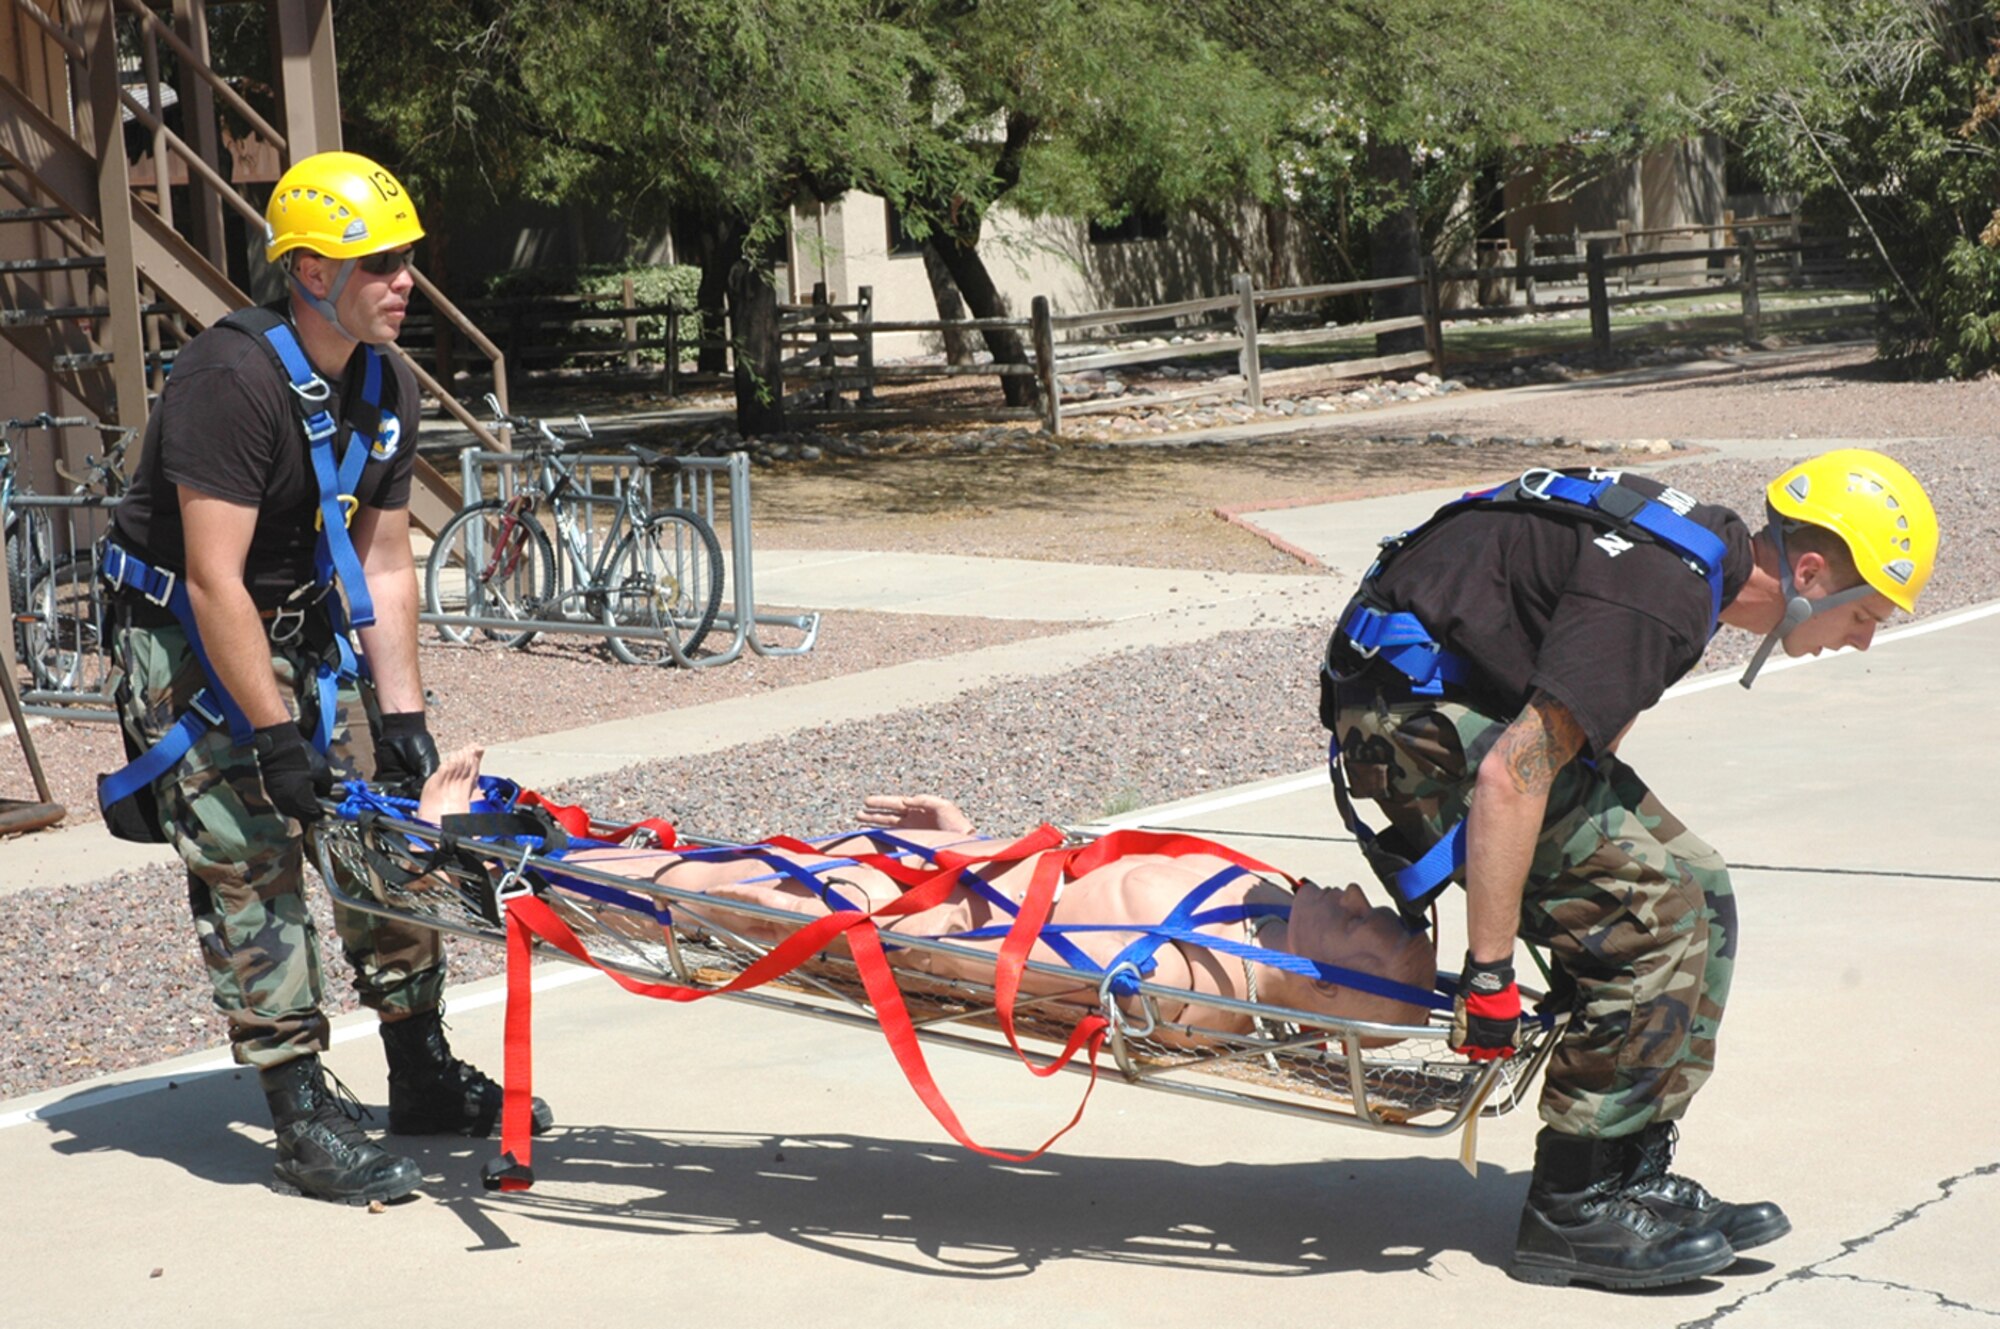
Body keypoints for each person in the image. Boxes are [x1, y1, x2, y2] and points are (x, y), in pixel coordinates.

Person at [1319, 452, 1938, 1289]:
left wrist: (1583, 906)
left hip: (1458, 701)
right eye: (1865, 611)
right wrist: (1492, 973)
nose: (1865, 635)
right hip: (1405, 719)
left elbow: (1589, 725)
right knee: (1656, 912)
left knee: (1699, 887)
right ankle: (1572, 1206)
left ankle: (1629, 1166)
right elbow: (1512, 774)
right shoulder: (1666, 590)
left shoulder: (1703, 561)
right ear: (1810, 570)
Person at [99, 151, 548, 1206]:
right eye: (378, 262)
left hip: (307, 637)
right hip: (192, 643)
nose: (404, 281)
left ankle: (419, 1070)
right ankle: (301, 1111)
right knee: (253, 861)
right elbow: (212, 582)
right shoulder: (228, 378)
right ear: (307, 272)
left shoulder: (384, 380)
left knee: (385, 833)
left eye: (405, 260)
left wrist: (404, 721)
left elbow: (386, 563)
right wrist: (270, 736)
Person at [408, 753, 1440, 1043]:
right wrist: (956, 841)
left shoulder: (1183, 982)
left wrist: (862, 917)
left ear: (1327, 991)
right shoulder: (1264, 900)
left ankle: (490, 856)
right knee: (713, 864)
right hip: (935, 870)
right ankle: (533, 846)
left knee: (712, 890)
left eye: (1360, 924)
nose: (1352, 893)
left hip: (890, 913)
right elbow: (1073, 883)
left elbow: (983, 975)